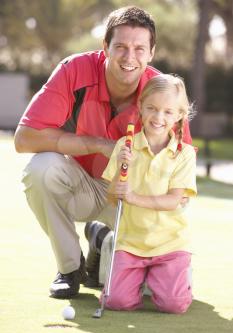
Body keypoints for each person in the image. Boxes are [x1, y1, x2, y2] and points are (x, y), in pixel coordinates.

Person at [14, 6, 192, 299]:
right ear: (105, 47)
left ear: (151, 53)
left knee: (155, 294)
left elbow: (181, 171)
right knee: (40, 169)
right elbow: (25, 139)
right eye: (120, 47)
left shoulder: (163, 90)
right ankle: (71, 268)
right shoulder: (74, 70)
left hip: (134, 198)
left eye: (139, 48)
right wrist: (98, 144)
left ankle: (103, 239)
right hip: (83, 187)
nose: (129, 57)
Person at [101, 74, 197, 314]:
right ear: (141, 108)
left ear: (179, 115)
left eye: (167, 111)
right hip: (131, 242)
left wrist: (133, 197)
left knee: (173, 305)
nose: (158, 117)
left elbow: (174, 200)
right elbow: (112, 197)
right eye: (152, 108)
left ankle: (173, 276)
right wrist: (118, 174)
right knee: (116, 302)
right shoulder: (125, 145)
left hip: (170, 244)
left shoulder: (184, 154)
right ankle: (106, 246)